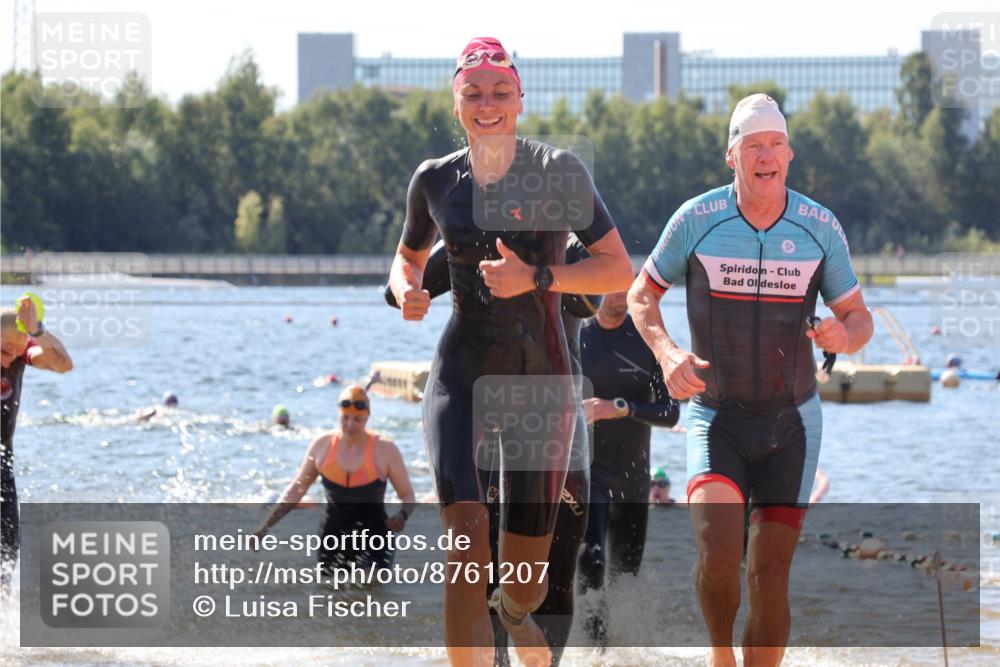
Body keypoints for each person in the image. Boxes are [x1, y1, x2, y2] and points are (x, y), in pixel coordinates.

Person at [387, 36, 633, 667]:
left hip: (542, 383)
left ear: (520, 99)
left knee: (527, 584)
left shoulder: (559, 171)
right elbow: (408, 259)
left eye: (500, 92)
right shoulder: (435, 179)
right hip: (461, 377)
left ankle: (513, 612)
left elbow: (615, 269)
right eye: (474, 93)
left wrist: (540, 279)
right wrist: (406, 290)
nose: (487, 104)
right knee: (464, 542)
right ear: (456, 102)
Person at [627, 93, 874, 667]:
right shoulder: (697, 219)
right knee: (718, 555)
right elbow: (642, 294)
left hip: (793, 422)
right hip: (716, 417)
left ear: (789, 154)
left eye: (776, 145)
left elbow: (859, 317)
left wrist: (845, 335)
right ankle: (720, 654)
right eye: (754, 145)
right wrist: (666, 355)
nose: (767, 156)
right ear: (731, 156)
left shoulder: (819, 227)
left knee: (769, 574)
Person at [387, 235, 600, 666]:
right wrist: (407, 289)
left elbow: (590, 300)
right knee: (480, 563)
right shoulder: (472, 236)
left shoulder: (567, 244)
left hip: (553, 418)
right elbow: (398, 289)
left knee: (556, 570)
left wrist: (536, 273)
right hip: (484, 422)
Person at [576, 289, 679, 646]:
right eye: (610, 285)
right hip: (587, 474)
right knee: (591, 559)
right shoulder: (575, 336)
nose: (618, 294)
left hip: (633, 476)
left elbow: (671, 412)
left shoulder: (645, 340)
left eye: (626, 285)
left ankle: (625, 651)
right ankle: (594, 651)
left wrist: (620, 407)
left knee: (626, 575)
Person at [254, 385, 416, 573]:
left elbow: (408, 495)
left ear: (368, 417)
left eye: (357, 419)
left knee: (372, 594)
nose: (350, 424)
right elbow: (296, 490)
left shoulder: (385, 450)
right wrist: (265, 526)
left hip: (375, 541)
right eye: (345, 418)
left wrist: (402, 515)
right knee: (330, 597)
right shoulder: (322, 446)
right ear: (338, 414)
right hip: (332, 539)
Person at [1, 299, 73, 596]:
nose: (9, 361)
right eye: (4, 351)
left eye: (16, 353)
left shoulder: (21, 352)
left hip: (2, 462)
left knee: (7, 548)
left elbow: (63, 364)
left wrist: (38, 331)